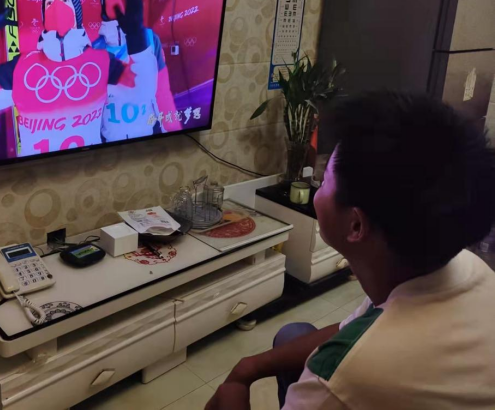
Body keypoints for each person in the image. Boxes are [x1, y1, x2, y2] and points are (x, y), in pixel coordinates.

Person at [207, 92, 495, 410]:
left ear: (356, 225)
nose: (318, 189)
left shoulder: (342, 379)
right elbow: (354, 327)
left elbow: (346, 363)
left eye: (324, 181)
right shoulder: (462, 265)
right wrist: (249, 367)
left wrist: (233, 387)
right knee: (293, 334)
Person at [0, 0, 157, 156]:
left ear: (77, 13)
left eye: (65, 0)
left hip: (90, 175)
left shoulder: (101, 62)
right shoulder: (22, 68)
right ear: (43, 16)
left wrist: (136, 35)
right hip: (36, 181)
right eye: (49, 2)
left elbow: (143, 91)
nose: (57, 6)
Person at [92, 0, 181, 140]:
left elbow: (162, 92)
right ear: (103, 0)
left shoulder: (150, 39)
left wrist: (174, 133)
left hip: (147, 138)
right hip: (110, 143)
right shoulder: (94, 49)